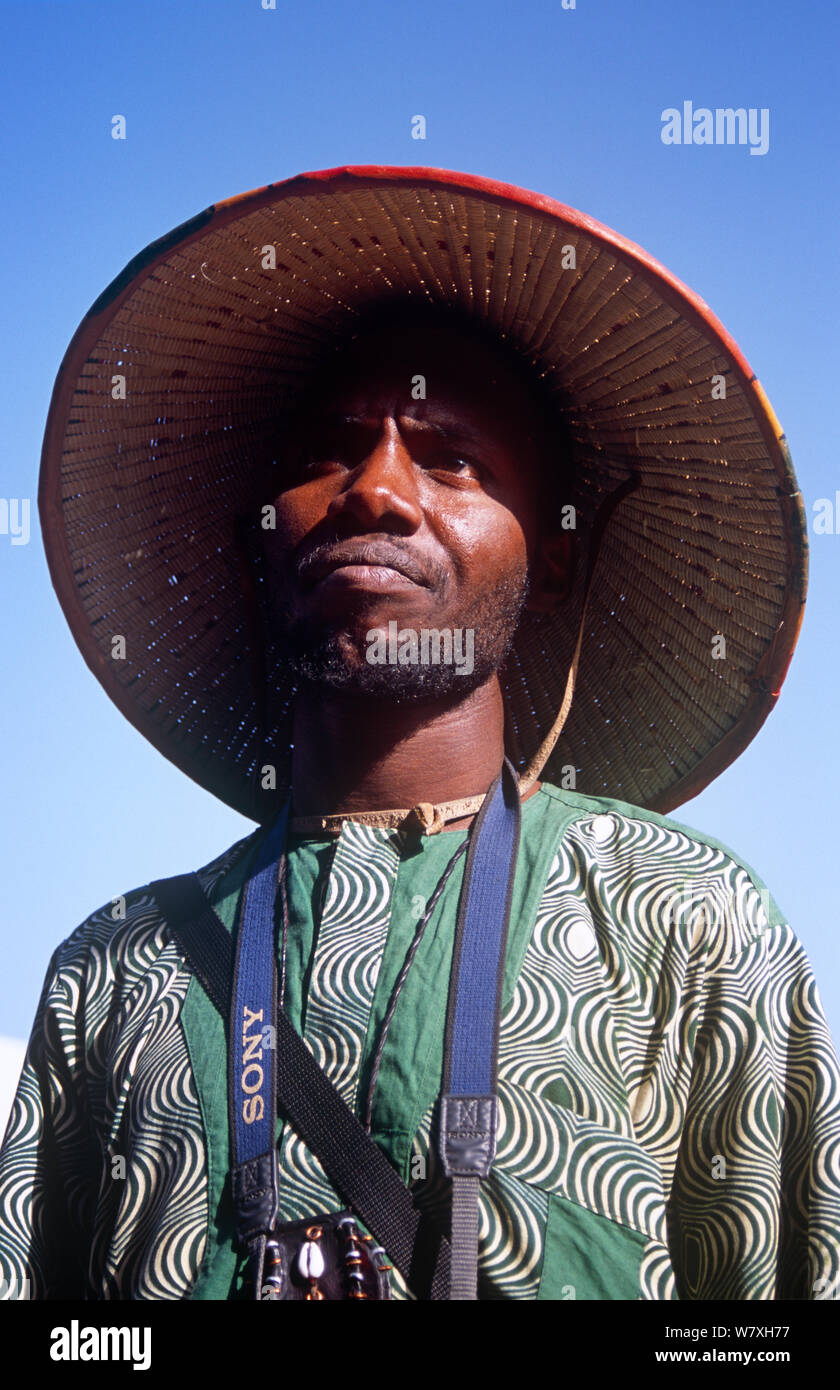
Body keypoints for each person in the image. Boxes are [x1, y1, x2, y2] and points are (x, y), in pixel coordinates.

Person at [1, 165, 838, 1302]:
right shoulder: (110, 976)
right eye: (329, 450)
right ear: (261, 546)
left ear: (557, 564)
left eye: (450, 457)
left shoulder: (688, 922)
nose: (377, 489)